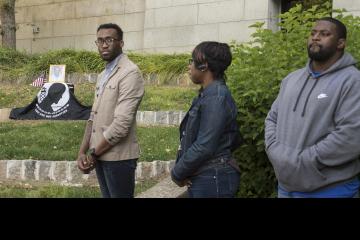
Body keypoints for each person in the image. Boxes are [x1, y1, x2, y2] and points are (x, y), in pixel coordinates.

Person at [265, 17, 360, 198]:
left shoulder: (352, 81)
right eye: (313, 33)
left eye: (324, 34)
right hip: (286, 188)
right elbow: (272, 118)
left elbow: (351, 135)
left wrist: (305, 160)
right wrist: (275, 151)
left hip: (331, 190)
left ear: (341, 43)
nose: (315, 38)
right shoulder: (291, 79)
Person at [76, 23, 144, 198]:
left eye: (109, 40)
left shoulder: (130, 73)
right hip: (99, 155)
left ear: (121, 43)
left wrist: (94, 153)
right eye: (99, 40)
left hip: (118, 158)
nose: (104, 45)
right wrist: (83, 151)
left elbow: (122, 124)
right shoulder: (102, 75)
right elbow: (93, 116)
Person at [171, 41, 242, 198]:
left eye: (192, 61)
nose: (189, 66)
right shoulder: (210, 94)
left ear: (203, 66)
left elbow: (205, 145)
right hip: (208, 174)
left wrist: (177, 172)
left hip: (213, 177)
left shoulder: (216, 97)